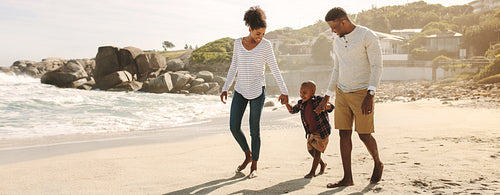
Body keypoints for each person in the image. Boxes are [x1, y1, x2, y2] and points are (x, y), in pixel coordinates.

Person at [315, 7, 384, 188]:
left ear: (343, 22)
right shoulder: (337, 41)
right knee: (343, 134)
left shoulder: (366, 36)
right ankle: (347, 178)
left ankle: (377, 162)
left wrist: (370, 93)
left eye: (334, 26)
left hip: (363, 93)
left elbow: (377, 66)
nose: (332, 31)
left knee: (364, 135)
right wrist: (327, 96)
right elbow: (336, 69)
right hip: (342, 93)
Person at [220, 6, 289, 179]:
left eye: (263, 34)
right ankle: (248, 155)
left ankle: (254, 166)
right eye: (258, 33)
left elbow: (274, 68)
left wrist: (284, 90)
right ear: (249, 29)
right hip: (240, 90)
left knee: (254, 130)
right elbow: (233, 67)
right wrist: (225, 88)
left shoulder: (265, 46)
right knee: (234, 127)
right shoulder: (238, 43)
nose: (260, 37)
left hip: (258, 91)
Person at [285, 81, 334, 178]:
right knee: (311, 150)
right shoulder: (301, 103)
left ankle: (312, 172)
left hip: (321, 132)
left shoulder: (319, 100)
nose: (301, 95)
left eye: (304, 92)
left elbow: (331, 107)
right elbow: (292, 110)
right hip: (311, 132)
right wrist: (286, 103)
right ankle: (322, 164)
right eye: (300, 92)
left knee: (317, 151)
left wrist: (325, 106)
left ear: (312, 92)